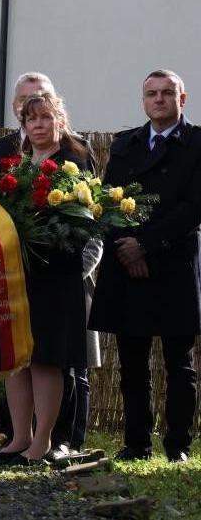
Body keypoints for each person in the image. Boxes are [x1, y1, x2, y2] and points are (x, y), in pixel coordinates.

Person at [88, 69, 201, 463]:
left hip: (173, 264)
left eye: (167, 93)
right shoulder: (125, 144)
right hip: (126, 263)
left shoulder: (197, 144)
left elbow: (193, 208)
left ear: (181, 100)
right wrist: (125, 249)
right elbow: (108, 202)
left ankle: (178, 446)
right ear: (143, 100)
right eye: (151, 94)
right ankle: (136, 443)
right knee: (133, 363)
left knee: (178, 364)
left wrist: (147, 247)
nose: (158, 100)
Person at [0, 92, 89, 467]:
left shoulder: (74, 160)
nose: (38, 125)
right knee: (17, 358)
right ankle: (20, 437)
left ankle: (43, 440)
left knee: (45, 358)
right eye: (31, 120)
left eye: (45, 118)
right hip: (18, 274)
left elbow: (82, 221)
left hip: (56, 276)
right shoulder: (16, 164)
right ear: (24, 125)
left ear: (58, 119)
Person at [0, 72, 55, 159]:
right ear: (14, 107)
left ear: (54, 106)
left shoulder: (72, 148)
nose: (29, 105)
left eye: (37, 99)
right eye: (23, 99)